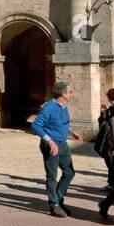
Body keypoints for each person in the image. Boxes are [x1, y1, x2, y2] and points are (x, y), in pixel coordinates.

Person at [31, 81, 83, 218]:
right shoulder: (48, 107)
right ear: (63, 94)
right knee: (52, 175)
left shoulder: (63, 106)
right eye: (70, 92)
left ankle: (58, 199)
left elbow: (61, 122)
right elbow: (36, 125)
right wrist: (49, 141)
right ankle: (54, 205)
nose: (71, 94)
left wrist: (71, 132)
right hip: (51, 145)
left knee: (70, 172)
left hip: (63, 144)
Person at [96, 88, 114, 179]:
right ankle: (111, 182)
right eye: (110, 99)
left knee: (113, 160)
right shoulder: (111, 108)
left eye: (112, 99)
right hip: (108, 138)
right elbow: (103, 122)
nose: (111, 101)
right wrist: (103, 113)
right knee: (109, 159)